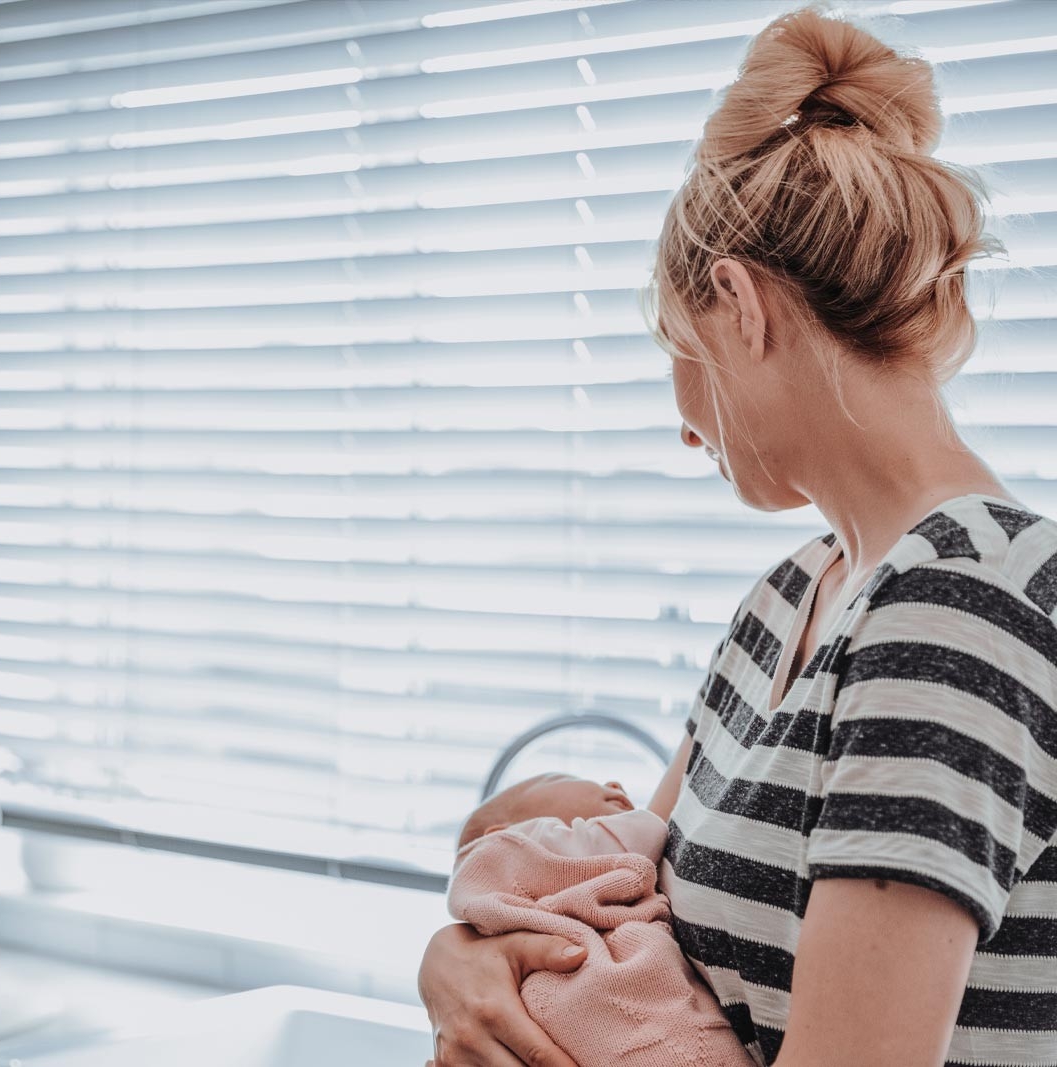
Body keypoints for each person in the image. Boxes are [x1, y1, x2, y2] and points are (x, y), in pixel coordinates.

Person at [418, 9, 1057, 1066]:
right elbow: (622, 894)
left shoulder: (959, 611)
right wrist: (456, 958)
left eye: (676, 348)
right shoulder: (788, 597)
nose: (684, 426)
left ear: (737, 305)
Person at [448, 774, 752, 1067]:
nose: (613, 783)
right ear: (502, 832)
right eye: (561, 778)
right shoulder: (509, 849)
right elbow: (645, 830)